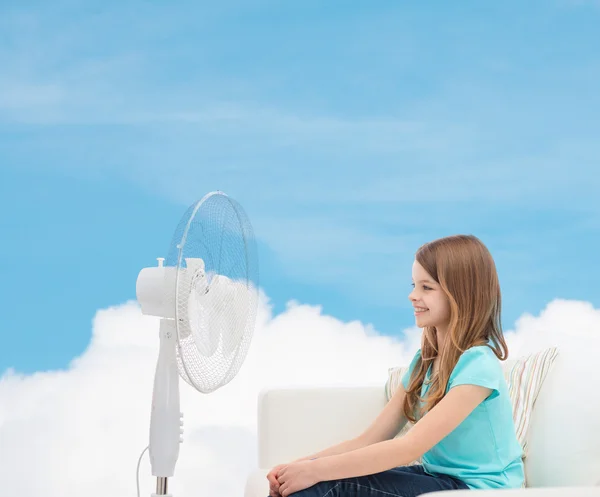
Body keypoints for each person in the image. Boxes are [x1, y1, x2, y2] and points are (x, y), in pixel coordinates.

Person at [266, 234, 525, 497]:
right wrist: (299, 467)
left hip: (477, 489)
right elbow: (367, 440)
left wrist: (316, 472)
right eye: (414, 285)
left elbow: (409, 447)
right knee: (307, 484)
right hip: (436, 477)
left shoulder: (478, 365)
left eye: (427, 287)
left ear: (461, 293)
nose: (413, 295)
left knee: (329, 485)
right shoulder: (425, 362)